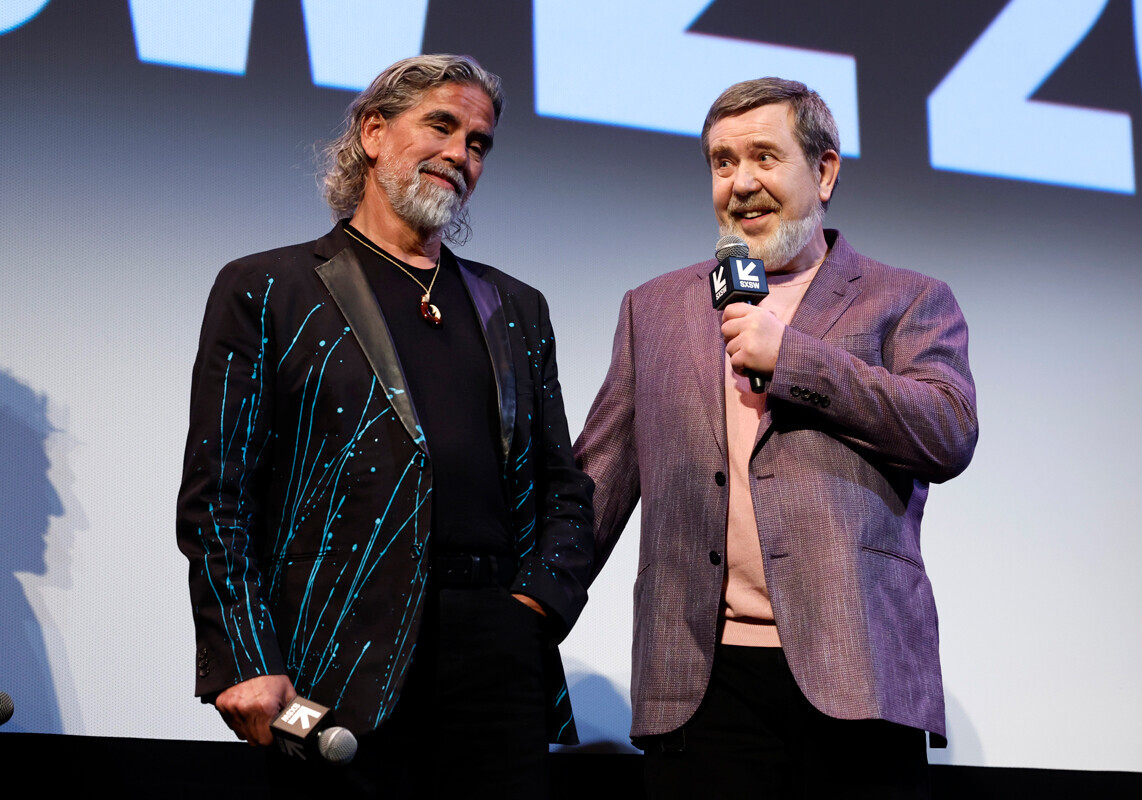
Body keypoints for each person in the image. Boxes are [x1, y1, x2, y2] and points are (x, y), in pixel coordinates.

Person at [177, 54, 593, 798]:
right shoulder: (269, 288)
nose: (460, 154)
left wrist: (533, 611)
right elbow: (218, 498)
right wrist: (242, 653)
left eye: (478, 142)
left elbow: (563, 486)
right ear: (373, 132)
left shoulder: (515, 308)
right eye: (441, 125)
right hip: (334, 654)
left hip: (496, 658)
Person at [574, 77, 978, 798]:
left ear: (823, 171)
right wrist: (525, 610)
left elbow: (946, 432)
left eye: (765, 156)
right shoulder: (656, 308)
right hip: (699, 678)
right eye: (722, 162)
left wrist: (792, 359)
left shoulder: (908, 299)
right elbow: (595, 485)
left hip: (856, 676)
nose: (741, 182)